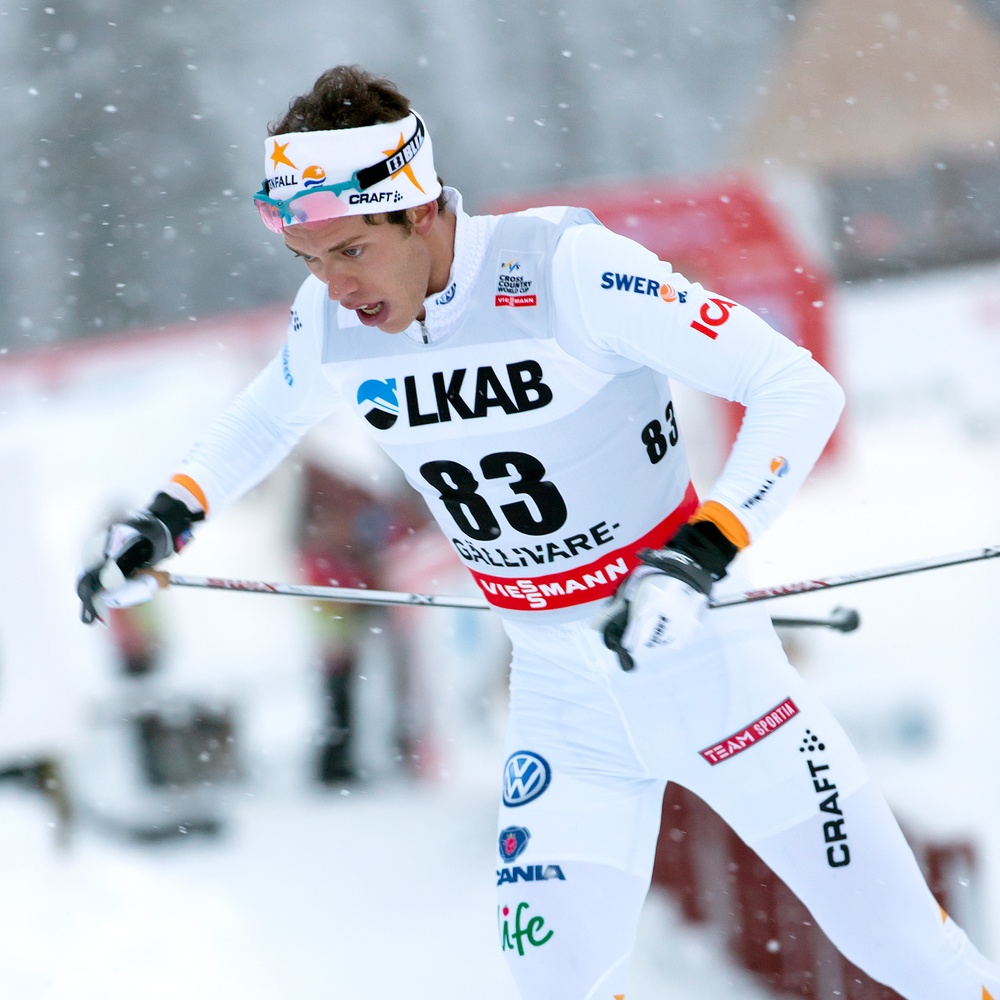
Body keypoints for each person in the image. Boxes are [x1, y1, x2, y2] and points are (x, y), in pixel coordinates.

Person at [76, 65, 1000, 999]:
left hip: (711, 676)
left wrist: (701, 550)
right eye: (309, 261)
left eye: (352, 250)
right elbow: (262, 420)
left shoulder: (567, 272)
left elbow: (798, 389)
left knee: (911, 957)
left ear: (422, 211)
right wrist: (164, 519)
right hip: (563, 703)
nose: (335, 285)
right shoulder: (331, 322)